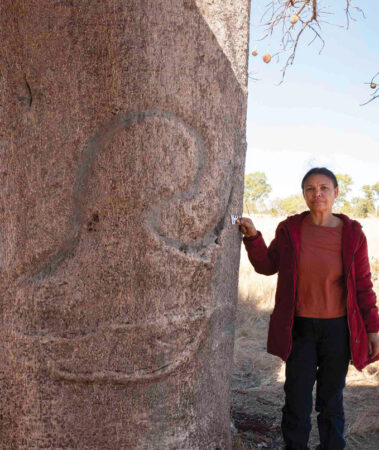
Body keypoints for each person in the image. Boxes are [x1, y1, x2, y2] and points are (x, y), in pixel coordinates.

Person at [238, 167, 379, 450]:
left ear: (336, 193)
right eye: (310, 189)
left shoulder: (353, 234)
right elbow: (267, 266)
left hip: (337, 330)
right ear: (303, 194)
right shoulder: (290, 229)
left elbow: (363, 286)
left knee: (331, 400)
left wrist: (374, 329)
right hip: (299, 328)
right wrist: (253, 237)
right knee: (297, 399)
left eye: (324, 188)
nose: (318, 194)